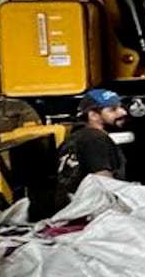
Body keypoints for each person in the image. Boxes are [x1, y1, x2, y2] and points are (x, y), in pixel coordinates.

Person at [39, 88, 129, 217]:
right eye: (113, 109)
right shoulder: (94, 138)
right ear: (93, 115)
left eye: (121, 107)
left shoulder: (75, 138)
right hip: (90, 215)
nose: (123, 112)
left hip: (71, 211)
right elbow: (104, 183)